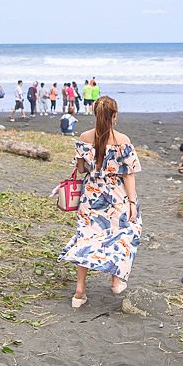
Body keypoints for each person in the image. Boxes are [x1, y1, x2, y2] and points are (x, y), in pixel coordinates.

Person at [60, 96, 141, 308]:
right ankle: (116, 280)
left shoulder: (84, 137)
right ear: (114, 116)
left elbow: (79, 169)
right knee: (125, 232)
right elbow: (129, 174)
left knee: (86, 237)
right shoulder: (123, 140)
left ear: (95, 113)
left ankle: (80, 291)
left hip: (91, 194)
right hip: (116, 195)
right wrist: (132, 203)